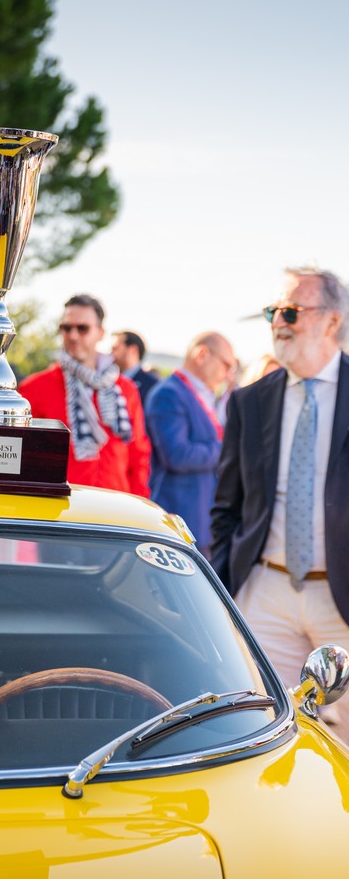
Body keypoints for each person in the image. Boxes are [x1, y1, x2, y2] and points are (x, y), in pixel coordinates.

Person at [211, 266, 349, 717]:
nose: (278, 322)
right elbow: (227, 505)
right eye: (273, 311)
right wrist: (225, 580)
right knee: (267, 728)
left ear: (332, 321)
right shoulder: (249, 401)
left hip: (341, 595)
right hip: (266, 590)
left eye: (291, 311)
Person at [19, 294, 150, 495]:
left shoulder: (126, 389)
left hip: (117, 505)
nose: (73, 335)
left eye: (82, 328)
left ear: (100, 333)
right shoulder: (35, 387)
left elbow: (138, 454)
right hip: (60, 507)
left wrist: (140, 505)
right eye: (66, 328)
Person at [144, 331, 237, 555]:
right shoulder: (169, 394)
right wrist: (228, 449)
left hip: (200, 519)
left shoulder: (198, 393)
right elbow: (177, 454)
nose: (228, 375)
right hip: (180, 520)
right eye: (226, 365)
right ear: (202, 354)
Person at [111, 330, 161, 405]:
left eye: (116, 348)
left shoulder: (152, 385)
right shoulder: (109, 379)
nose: (111, 353)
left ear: (133, 350)